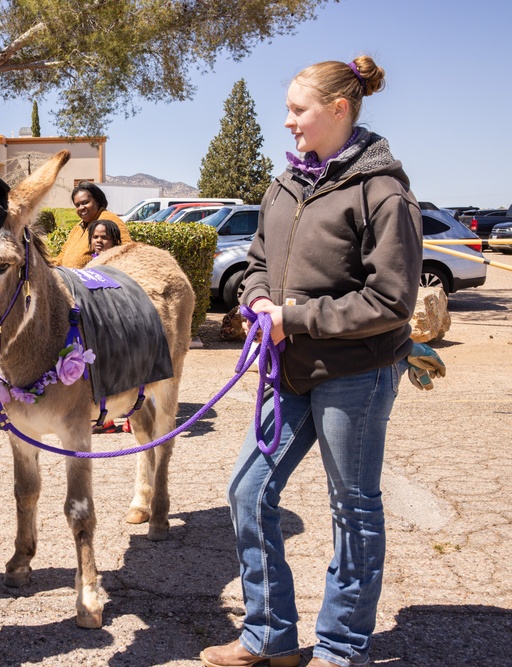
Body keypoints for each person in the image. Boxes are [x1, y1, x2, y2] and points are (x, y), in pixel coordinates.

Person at [200, 56, 422, 667]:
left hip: (356, 373)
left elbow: (391, 300)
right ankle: (268, 636)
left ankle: (340, 647)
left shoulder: (384, 191)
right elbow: (254, 263)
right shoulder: (285, 184)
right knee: (248, 491)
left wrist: (291, 319)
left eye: (299, 111)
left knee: (352, 507)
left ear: (339, 110)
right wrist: (259, 298)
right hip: (288, 372)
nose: (289, 123)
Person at [53, 181, 132, 268]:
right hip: (69, 278)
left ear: (97, 201)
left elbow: (127, 251)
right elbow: (62, 255)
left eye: (85, 202)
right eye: (77, 205)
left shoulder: (109, 220)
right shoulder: (78, 228)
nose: (81, 208)